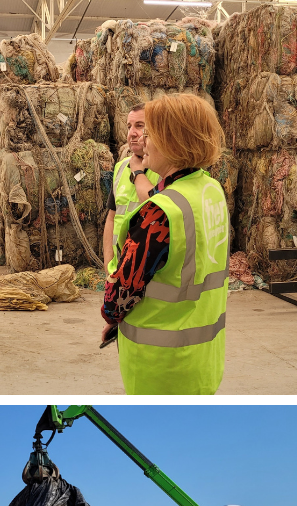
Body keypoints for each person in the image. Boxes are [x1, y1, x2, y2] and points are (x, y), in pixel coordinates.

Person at [101, 93, 230, 395]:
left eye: (150, 134)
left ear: (173, 142)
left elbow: (117, 299)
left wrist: (111, 314)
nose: (143, 142)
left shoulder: (159, 214)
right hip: (204, 359)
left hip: (160, 369)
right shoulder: (211, 191)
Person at [102, 105, 159, 275]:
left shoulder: (164, 170)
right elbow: (111, 218)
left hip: (147, 267)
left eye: (139, 126)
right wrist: (108, 262)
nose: (132, 133)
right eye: (129, 126)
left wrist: (137, 171)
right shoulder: (120, 167)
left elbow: (153, 208)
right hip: (119, 266)